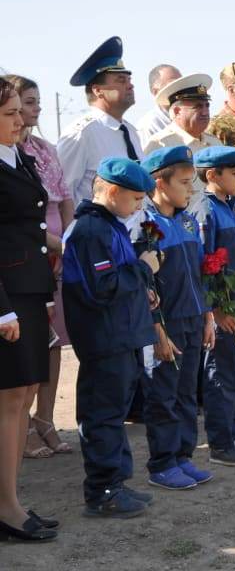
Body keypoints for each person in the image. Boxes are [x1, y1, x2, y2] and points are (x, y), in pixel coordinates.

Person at [63, 157, 158, 518]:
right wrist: (143, 268)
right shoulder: (91, 231)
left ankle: (116, 482)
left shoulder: (109, 225)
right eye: (136, 199)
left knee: (115, 413)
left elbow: (119, 277)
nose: (139, 208)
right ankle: (103, 491)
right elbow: (103, 287)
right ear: (113, 191)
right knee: (102, 415)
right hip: (104, 339)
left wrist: (142, 289)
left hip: (121, 335)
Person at [135, 146, 215, 491]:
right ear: (160, 183)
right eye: (184, 182)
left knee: (186, 395)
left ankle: (183, 456)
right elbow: (147, 285)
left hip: (194, 319)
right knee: (163, 396)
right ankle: (162, 463)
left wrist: (208, 316)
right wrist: (158, 329)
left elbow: (199, 272)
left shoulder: (187, 220)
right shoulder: (146, 225)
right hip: (167, 325)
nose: (191, 189)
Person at [0, 80, 59, 542]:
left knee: (23, 396)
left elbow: (30, 226)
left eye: (21, 111)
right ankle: (6, 509)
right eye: (10, 113)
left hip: (30, 289)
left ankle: (11, 501)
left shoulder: (17, 157)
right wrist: (3, 311)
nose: (21, 120)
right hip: (8, 299)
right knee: (8, 400)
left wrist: (59, 245)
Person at [9, 75, 74, 458]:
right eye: (26, 103)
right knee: (28, 346)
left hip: (55, 254)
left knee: (53, 343)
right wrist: (54, 244)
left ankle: (45, 419)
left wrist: (67, 243)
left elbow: (64, 197)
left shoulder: (45, 149)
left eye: (33, 103)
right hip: (28, 254)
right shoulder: (10, 154)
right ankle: (23, 427)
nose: (32, 111)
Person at [188, 146, 235, 467]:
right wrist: (215, 312)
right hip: (224, 305)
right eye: (234, 173)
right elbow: (202, 266)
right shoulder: (205, 211)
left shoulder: (229, 207)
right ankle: (220, 442)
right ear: (212, 175)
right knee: (221, 373)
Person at [58, 36, 144, 205]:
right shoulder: (81, 133)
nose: (130, 85)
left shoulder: (131, 131)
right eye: (121, 80)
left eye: (129, 80)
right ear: (98, 90)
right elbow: (64, 193)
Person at [142, 74, 224, 193]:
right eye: (198, 107)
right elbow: (149, 191)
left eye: (207, 106)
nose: (205, 112)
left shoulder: (214, 143)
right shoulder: (160, 145)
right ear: (177, 111)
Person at [136, 64, 182, 144]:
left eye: (181, 84)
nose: (180, 89)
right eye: (172, 85)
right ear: (155, 92)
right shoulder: (148, 125)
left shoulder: (190, 117)